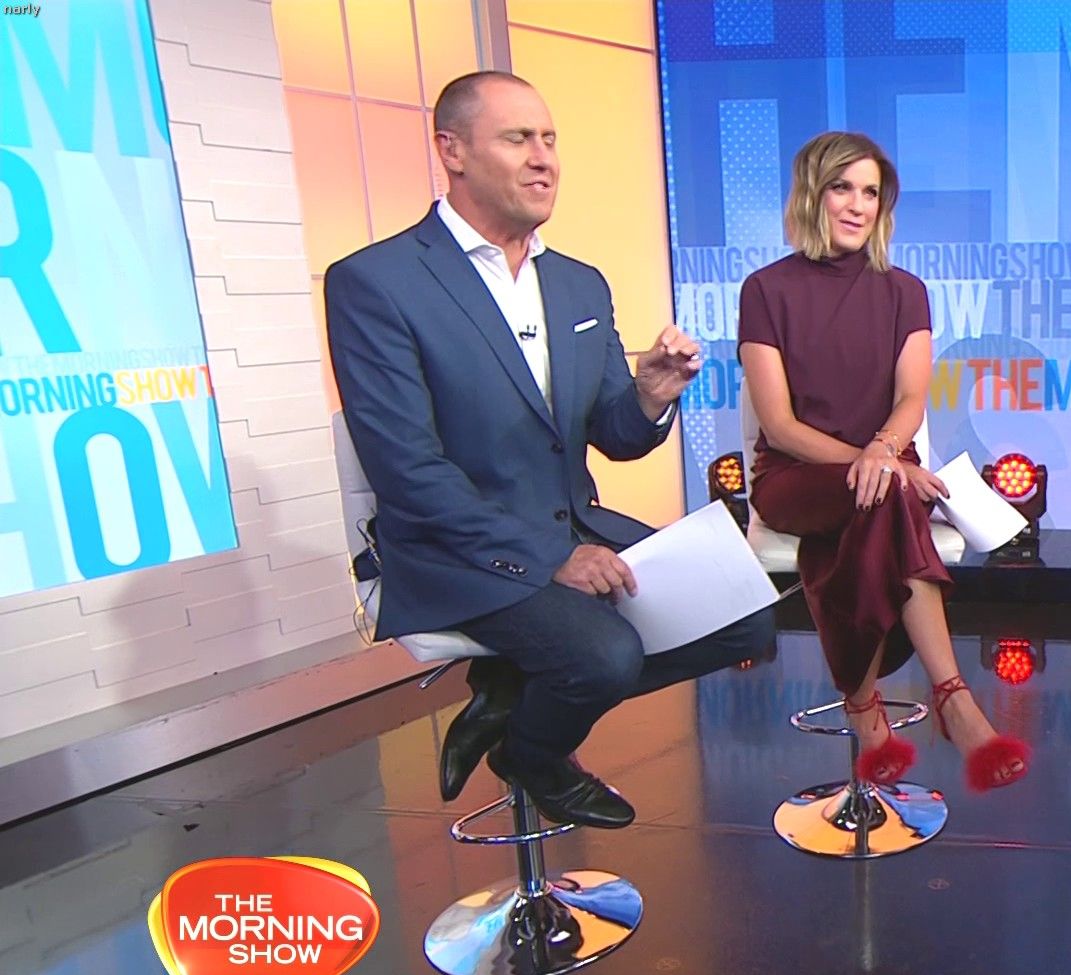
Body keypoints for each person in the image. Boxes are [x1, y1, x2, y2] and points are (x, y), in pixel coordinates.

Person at [326, 71, 774, 829]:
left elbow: (617, 437)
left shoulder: (577, 284)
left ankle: (511, 693)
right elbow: (407, 471)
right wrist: (551, 558)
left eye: (549, 139)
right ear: (452, 151)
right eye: (517, 139)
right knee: (602, 655)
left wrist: (650, 396)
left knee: (744, 618)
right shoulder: (377, 282)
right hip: (453, 549)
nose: (543, 159)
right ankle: (532, 753)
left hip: (572, 522)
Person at [738, 132, 1029, 792]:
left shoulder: (905, 291)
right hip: (796, 474)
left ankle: (867, 705)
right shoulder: (765, 289)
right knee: (887, 496)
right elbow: (780, 426)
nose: (858, 205)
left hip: (887, 466)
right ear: (812, 195)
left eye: (870, 192)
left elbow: (910, 398)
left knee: (880, 504)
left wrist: (885, 454)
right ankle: (953, 700)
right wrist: (879, 463)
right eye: (842, 188)